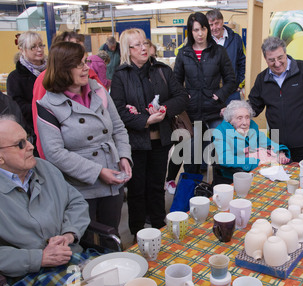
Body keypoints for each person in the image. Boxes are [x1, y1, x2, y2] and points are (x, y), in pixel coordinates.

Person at [36, 41, 132, 238]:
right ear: (63, 68)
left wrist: (124, 157)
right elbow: (55, 153)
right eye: (79, 64)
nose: (86, 67)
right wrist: (97, 172)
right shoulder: (48, 105)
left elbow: (119, 128)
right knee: (87, 242)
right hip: (80, 187)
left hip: (113, 179)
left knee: (110, 236)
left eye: (85, 61)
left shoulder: (98, 90)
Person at [0, 116, 92, 286]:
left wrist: (69, 234)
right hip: (28, 275)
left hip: (71, 257)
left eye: (27, 139)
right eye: (20, 144)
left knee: (118, 279)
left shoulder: (45, 168)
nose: (30, 146)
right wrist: (39, 258)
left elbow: (77, 203)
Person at [110, 29, 188, 234]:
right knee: (136, 191)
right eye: (136, 45)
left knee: (156, 188)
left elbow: (181, 96)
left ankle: (158, 228)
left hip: (160, 141)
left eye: (144, 43)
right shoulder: (120, 76)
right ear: (128, 49)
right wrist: (145, 120)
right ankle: (137, 234)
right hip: (135, 143)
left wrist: (164, 110)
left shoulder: (162, 70)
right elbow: (117, 112)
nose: (143, 48)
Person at [170, 11, 236, 184]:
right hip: (191, 113)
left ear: (207, 29)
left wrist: (219, 94)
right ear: (190, 32)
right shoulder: (183, 53)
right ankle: (190, 195)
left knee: (219, 153)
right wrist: (184, 95)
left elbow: (231, 80)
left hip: (213, 111)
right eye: (195, 30)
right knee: (192, 157)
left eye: (203, 29)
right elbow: (175, 82)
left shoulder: (219, 52)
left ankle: (218, 192)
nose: (200, 34)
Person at [248, 36, 303, 163]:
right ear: (265, 59)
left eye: (280, 58)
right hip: (279, 145)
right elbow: (254, 105)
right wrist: (236, 112)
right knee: (281, 179)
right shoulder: (262, 79)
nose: (277, 63)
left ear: (285, 53)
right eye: (271, 60)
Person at [32, 31, 104, 159]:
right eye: (73, 45)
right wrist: (46, 161)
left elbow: (106, 109)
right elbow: (42, 125)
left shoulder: (90, 75)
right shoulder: (46, 80)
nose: (78, 50)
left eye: (80, 46)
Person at [212, 100, 290, 180]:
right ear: (230, 120)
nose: (245, 122)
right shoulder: (221, 132)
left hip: (258, 170)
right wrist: (256, 162)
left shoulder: (252, 126)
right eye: (240, 118)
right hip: (234, 175)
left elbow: (267, 142)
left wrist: (280, 152)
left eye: (247, 117)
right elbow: (226, 159)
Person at [7, 31, 47, 154]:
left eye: (41, 45)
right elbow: (17, 106)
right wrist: (44, 108)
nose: (39, 50)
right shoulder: (15, 77)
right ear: (22, 50)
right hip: (34, 130)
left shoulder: (52, 71)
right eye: (33, 47)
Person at [206, 9, 246, 103]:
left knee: (233, 117)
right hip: (211, 93)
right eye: (211, 25)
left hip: (232, 92)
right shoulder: (204, 41)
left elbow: (243, 63)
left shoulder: (236, 39)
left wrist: (238, 84)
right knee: (214, 118)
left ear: (222, 22)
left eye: (217, 23)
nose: (214, 27)